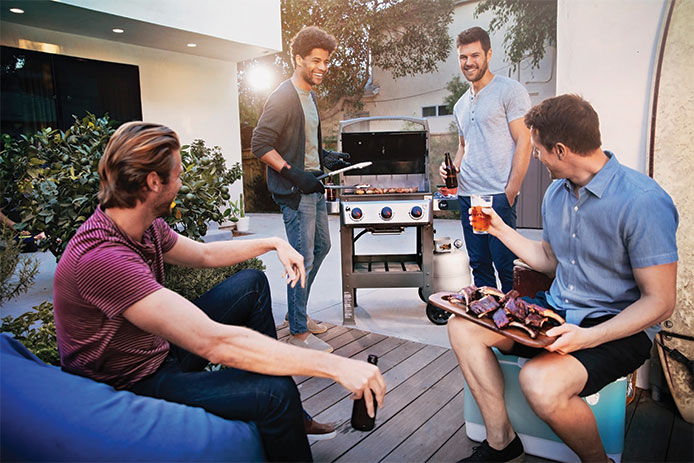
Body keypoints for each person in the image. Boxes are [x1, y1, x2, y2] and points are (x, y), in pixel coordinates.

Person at [53, 121, 386, 462]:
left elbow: (203, 254)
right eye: (178, 175)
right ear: (154, 182)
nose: (181, 184)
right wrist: (336, 366)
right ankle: (278, 408)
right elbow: (212, 342)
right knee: (276, 393)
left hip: (153, 351)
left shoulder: (140, 225)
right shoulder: (104, 259)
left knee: (252, 285)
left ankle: (282, 413)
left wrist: (272, 243)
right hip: (132, 382)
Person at [448, 94, 678, 462]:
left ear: (560, 150)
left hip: (615, 327)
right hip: (557, 311)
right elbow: (550, 262)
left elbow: (661, 301)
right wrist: (500, 229)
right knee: (462, 327)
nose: (534, 157)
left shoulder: (643, 201)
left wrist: (588, 336)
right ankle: (501, 442)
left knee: (537, 382)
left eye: (538, 150)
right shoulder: (556, 194)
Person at [252, 26, 348, 352]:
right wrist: (294, 173)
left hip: (313, 185)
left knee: (321, 249)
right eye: (315, 60)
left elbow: (300, 142)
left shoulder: (309, 95)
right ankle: (297, 331)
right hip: (296, 192)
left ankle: (299, 314)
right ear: (297, 59)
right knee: (301, 259)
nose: (322, 67)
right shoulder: (283, 97)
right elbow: (260, 144)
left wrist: (324, 158)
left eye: (325, 61)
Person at [439, 26, 532, 293]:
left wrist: (511, 191)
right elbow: (463, 146)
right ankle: (486, 324)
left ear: (489, 54)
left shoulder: (509, 91)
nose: (469, 62)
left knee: (506, 265)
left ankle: (512, 328)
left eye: (475, 55)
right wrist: (452, 169)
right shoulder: (460, 104)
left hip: (497, 196)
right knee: (479, 264)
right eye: (463, 57)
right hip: (469, 196)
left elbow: (524, 141)